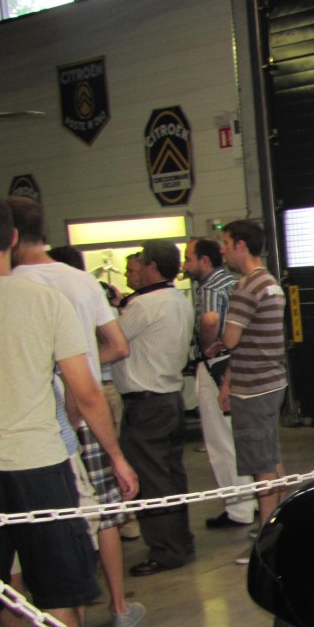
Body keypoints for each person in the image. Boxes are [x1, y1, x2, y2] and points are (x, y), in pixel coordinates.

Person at [0, 192, 138, 627]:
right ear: (10, 240)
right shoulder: (42, 300)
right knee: (56, 597)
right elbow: (87, 393)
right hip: (40, 467)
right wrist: (117, 457)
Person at [7, 197, 146, 627]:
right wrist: (82, 365)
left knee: (42, 521)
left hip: (36, 415)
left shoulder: (9, 285)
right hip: (93, 400)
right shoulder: (81, 281)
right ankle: (119, 607)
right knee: (103, 510)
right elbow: (119, 346)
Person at [111, 240, 194, 576]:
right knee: (172, 476)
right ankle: (180, 542)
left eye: (139, 264)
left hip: (146, 404)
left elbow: (111, 343)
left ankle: (165, 551)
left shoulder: (143, 306)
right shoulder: (178, 299)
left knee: (152, 480)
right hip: (171, 398)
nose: (135, 270)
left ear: (153, 268)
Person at [205, 220, 288, 534]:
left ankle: (267, 537)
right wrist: (228, 382)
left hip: (254, 390)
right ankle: (280, 527)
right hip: (268, 382)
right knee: (271, 456)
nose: (223, 250)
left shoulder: (246, 286)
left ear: (241, 244)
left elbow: (231, 340)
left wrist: (215, 335)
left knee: (261, 466)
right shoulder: (269, 282)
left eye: (225, 243)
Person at [183, 237, 256, 530]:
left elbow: (211, 319)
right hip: (241, 365)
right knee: (237, 437)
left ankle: (238, 508)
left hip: (216, 366)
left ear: (204, 261)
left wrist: (206, 341)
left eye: (188, 259)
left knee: (220, 441)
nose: (185, 266)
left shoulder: (211, 287)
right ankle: (248, 501)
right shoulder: (234, 282)